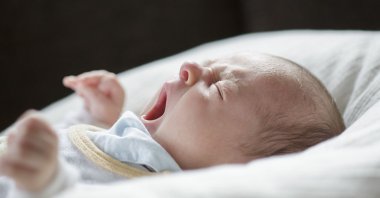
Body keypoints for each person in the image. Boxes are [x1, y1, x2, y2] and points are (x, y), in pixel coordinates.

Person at [0, 52, 345, 197]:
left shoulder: (154, 188)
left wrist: (49, 183)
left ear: (244, 169)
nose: (190, 67)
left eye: (219, 88)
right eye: (210, 64)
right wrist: (96, 119)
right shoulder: (127, 149)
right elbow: (82, 153)